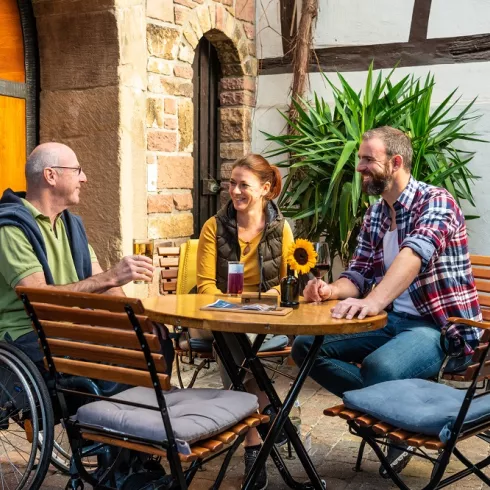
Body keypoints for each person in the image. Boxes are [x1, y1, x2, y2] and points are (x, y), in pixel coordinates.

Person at [292, 126, 482, 478]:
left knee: (381, 367)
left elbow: (414, 254)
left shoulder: (436, 202)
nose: (359, 168)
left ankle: (390, 419)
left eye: (368, 160)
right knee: (306, 347)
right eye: (360, 159)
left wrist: (375, 301)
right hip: (390, 322)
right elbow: (359, 273)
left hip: (438, 328)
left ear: (395, 162)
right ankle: (391, 415)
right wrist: (330, 290)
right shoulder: (376, 214)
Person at [0, 142, 175, 377]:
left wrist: (136, 319)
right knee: (112, 360)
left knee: (155, 342)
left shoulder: (71, 226)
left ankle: (133, 410)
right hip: (27, 336)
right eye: (77, 170)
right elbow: (37, 299)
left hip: (73, 331)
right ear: (50, 176)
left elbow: (103, 285)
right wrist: (111, 276)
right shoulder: (11, 228)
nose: (84, 178)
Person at [197, 154, 294, 490]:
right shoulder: (214, 227)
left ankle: (263, 425)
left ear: (266, 189)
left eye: (243, 184)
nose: (233, 190)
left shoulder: (281, 229)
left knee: (240, 352)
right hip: (223, 315)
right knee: (233, 340)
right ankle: (259, 437)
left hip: (267, 317)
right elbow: (206, 285)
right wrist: (233, 306)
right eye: (231, 183)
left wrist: (260, 304)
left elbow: (288, 284)